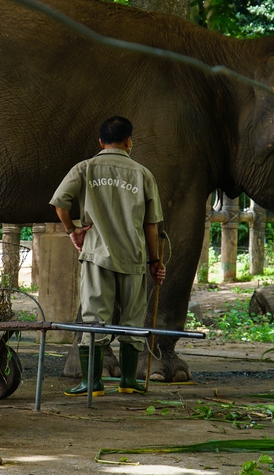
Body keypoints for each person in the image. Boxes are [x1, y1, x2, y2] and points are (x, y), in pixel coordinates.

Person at [49, 116, 165, 397]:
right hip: (134, 258)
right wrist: (154, 261)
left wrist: (72, 232)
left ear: (100, 142)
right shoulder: (142, 174)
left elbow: (60, 203)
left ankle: (92, 382)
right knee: (133, 319)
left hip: (97, 257)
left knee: (94, 318)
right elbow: (152, 225)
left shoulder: (86, 168)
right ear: (129, 141)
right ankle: (128, 380)